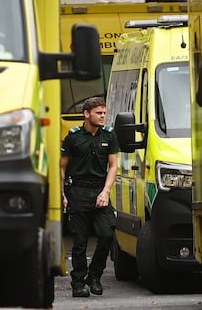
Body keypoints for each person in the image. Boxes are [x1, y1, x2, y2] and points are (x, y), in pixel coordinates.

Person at [61, 96, 119, 298]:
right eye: (99, 113)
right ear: (87, 114)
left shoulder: (109, 135)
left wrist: (106, 191)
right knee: (79, 241)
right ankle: (78, 283)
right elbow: (62, 167)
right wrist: (63, 195)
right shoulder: (73, 137)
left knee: (106, 235)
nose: (103, 116)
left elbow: (113, 166)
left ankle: (94, 276)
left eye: (104, 113)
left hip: (99, 192)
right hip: (77, 192)